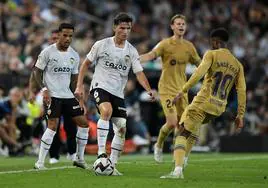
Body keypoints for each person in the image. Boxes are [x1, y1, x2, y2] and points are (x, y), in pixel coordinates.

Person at [75, 12, 156, 175]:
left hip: (118, 93)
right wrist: (79, 86)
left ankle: (112, 164)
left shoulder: (131, 51)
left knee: (121, 128)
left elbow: (139, 73)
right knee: (106, 111)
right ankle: (101, 153)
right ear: (114, 27)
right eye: (122, 27)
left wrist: (148, 89)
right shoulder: (101, 45)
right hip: (100, 86)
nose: (125, 31)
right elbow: (85, 65)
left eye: (128, 28)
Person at [160, 28, 246, 179]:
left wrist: (183, 90)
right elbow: (242, 91)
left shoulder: (211, 54)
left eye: (211, 42)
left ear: (215, 41)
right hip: (218, 107)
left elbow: (199, 72)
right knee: (193, 129)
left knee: (182, 130)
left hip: (203, 102)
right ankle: (184, 160)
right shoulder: (237, 64)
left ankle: (177, 171)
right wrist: (240, 114)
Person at [140, 14, 201, 163]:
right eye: (178, 24)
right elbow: (151, 54)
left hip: (182, 91)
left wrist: (211, 72)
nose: (181, 26)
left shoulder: (189, 47)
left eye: (183, 24)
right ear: (172, 26)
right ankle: (159, 145)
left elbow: (200, 63)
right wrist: (138, 58)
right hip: (166, 89)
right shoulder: (165, 44)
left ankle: (177, 155)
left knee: (182, 125)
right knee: (173, 122)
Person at [30, 23, 89, 170]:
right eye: (65, 35)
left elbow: (75, 79)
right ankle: (40, 162)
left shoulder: (74, 55)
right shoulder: (47, 52)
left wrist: (79, 97)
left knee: (84, 124)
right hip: (53, 95)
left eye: (70, 36)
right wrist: (44, 89)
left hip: (68, 96)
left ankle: (79, 159)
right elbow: (36, 72)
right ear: (59, 35)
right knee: (52, 127)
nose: (68, 38)